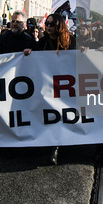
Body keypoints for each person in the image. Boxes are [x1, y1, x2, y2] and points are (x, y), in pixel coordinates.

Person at [28, 13, 75, 165]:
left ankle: (56, 146)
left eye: (51, 24)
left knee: (61, 113)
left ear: (59, 26)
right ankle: (53, 144)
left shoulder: (71, 41)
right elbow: (34, 62)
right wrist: (28, 54)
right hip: (47, 84)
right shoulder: (42, 42)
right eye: (47, 23)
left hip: (66, 85)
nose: (48, 26)